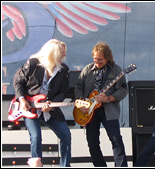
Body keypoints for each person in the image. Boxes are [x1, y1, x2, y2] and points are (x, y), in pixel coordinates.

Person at [13, 39, 71, 167]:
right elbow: (18, 81)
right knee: (36, 137)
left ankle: (65, 165)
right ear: (53, 53)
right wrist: (22, 100)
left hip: (49, 109)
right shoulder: (34, 63)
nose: (64, 55)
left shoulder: (63, 69)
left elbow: (63, 92)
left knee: (65, 135)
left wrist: (52, 104)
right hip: (30, 107)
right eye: (61, 52)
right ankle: (36, 164)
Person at [74, 41, 128, 167]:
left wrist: (109, 98)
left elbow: (123, 90)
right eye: (95, 59)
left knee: (116, 140)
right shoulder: (88, 69)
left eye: (100, 60)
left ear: (107, 58)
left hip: (109, 110)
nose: (97, 62)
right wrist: (81, 102)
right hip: (90, 111)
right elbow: (78, 86)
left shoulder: (116, 70)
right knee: (92, 142)